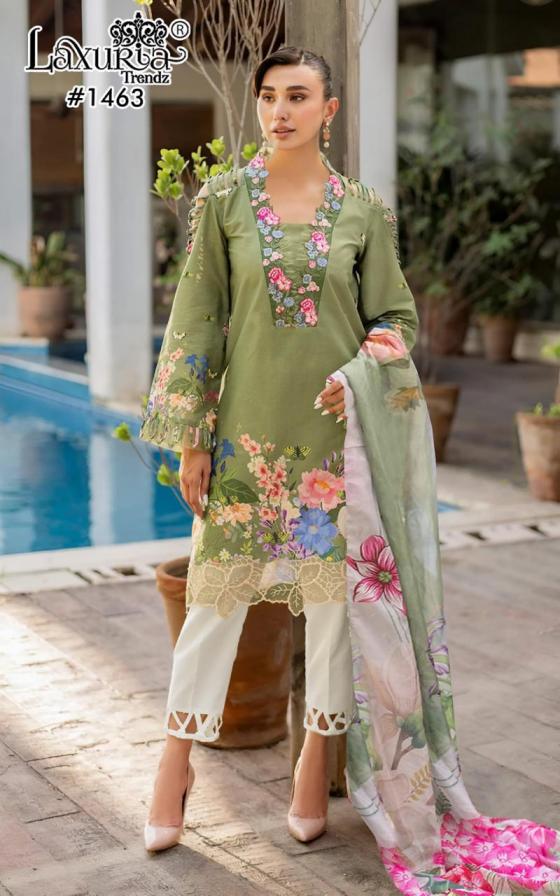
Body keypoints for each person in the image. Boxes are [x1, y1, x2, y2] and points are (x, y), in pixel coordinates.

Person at [139, 46, 560, 895]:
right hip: (246, 445)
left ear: (330, 110)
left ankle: (312, 768)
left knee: (335, 617)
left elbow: (396, 317)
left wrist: (363, 365)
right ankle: (173, 765)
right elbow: (197, 321)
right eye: (269, 96)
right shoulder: (224, 202)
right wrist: (191, 438)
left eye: (298, 96)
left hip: (335, 452)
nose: (280, 111)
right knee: (214, 606)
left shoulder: (363, 213)